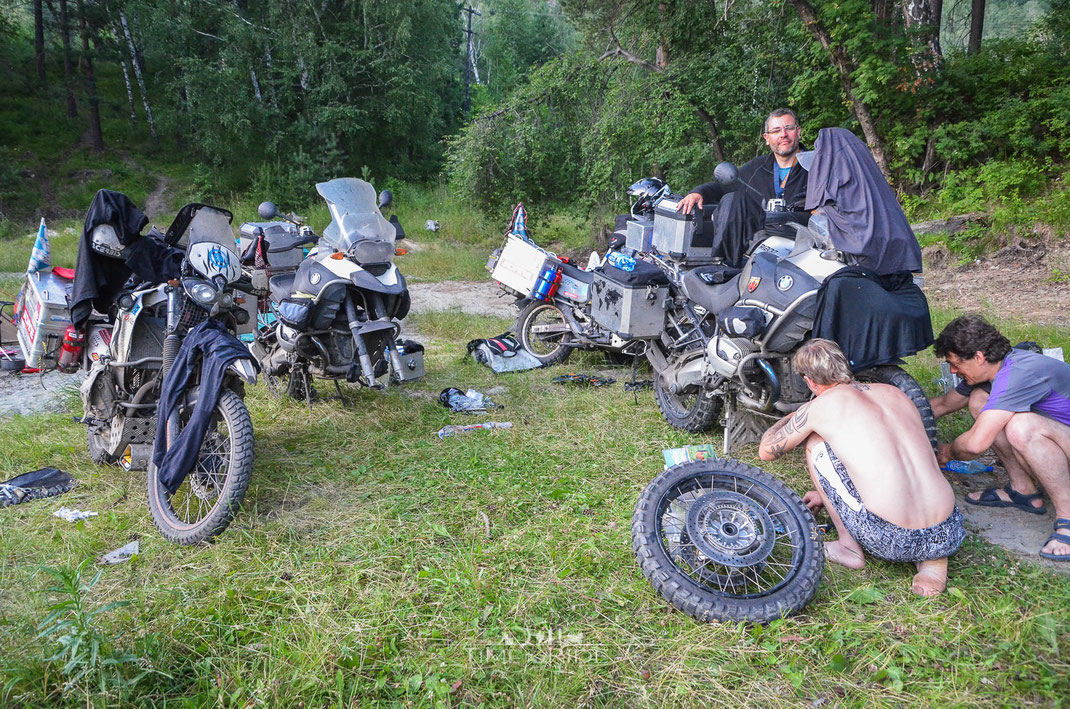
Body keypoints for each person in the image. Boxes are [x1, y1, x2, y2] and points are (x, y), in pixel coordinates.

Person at [758, 339, 965, 595]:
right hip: (948, 527)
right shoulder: (894, 392)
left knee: (816, 443)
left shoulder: (821, 406)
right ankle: (933, 561)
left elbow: (766, 450)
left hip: (889, 536)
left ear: (809, 380)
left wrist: (800, 414)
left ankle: (848, 547)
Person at [931, 314, 1070, 561]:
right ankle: (1023, 492)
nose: (952, 370)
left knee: (1022, 426)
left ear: (979, 357)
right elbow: (942, 404)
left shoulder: (1017, 375)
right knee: (979, 400)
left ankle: (1067, 518)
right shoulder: (992, 372)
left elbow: (975, 445)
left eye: (956, 363)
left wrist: (946, 453)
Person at [675, 109, 808, 267]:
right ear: (767, 138)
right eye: (776, 130)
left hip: (803, 246)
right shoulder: (757, 167)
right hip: (760, 248)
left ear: (798, 131)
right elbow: (722, 187)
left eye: (789, 128)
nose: (783, 134)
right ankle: (725, 267)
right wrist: (698, 192)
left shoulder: (817, 166)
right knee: (734, 199)